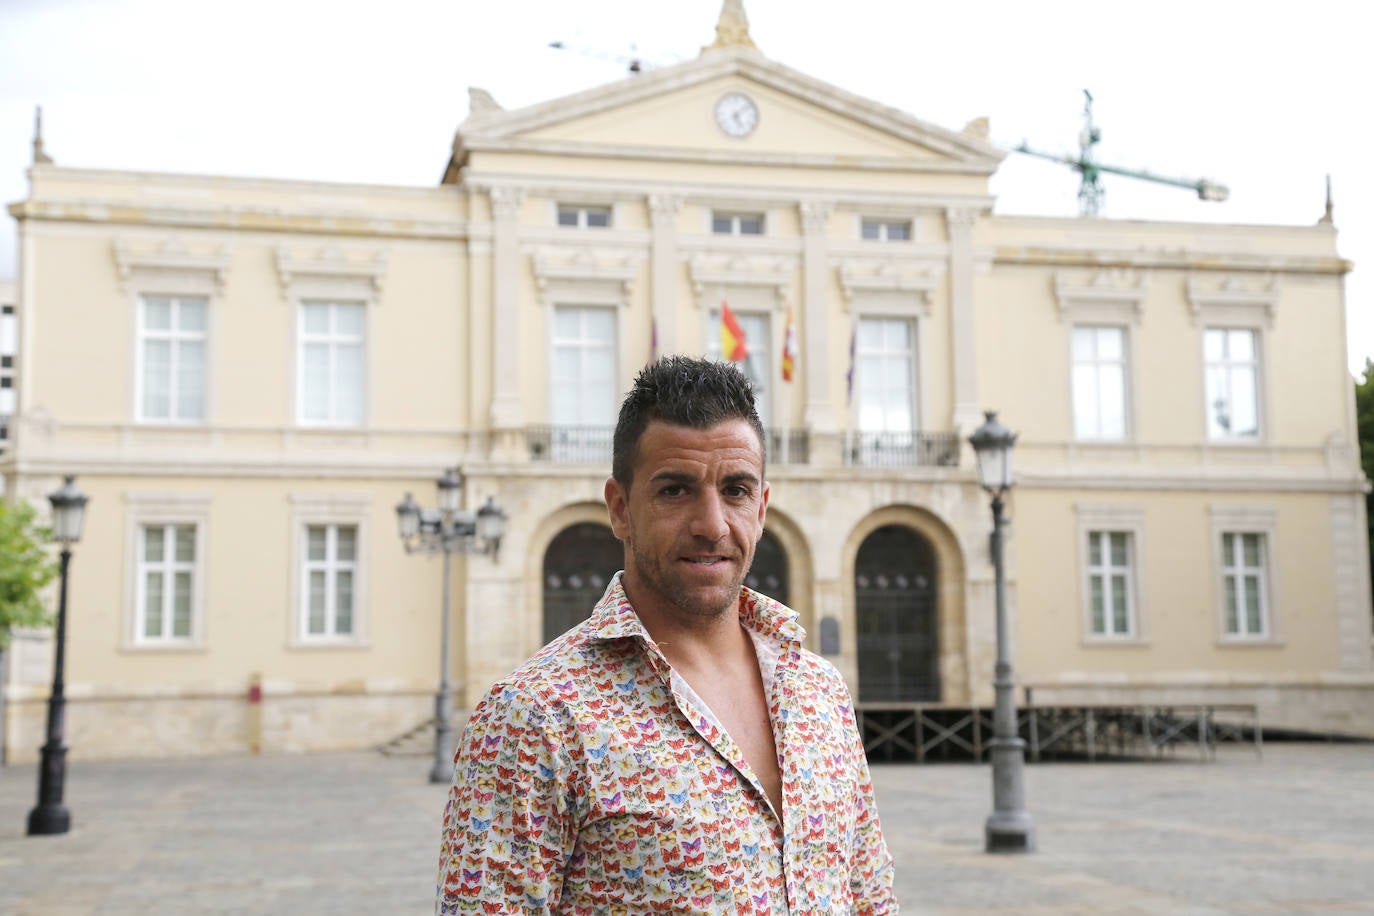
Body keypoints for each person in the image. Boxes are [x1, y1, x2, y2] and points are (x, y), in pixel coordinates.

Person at [436, 356, 896, 913]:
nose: (712, 524)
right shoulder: (535, 716)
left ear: (762, 507)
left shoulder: (819, 691)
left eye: (736, 490)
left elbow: (870, 898)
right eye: (676, 490)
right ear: (621, 509)